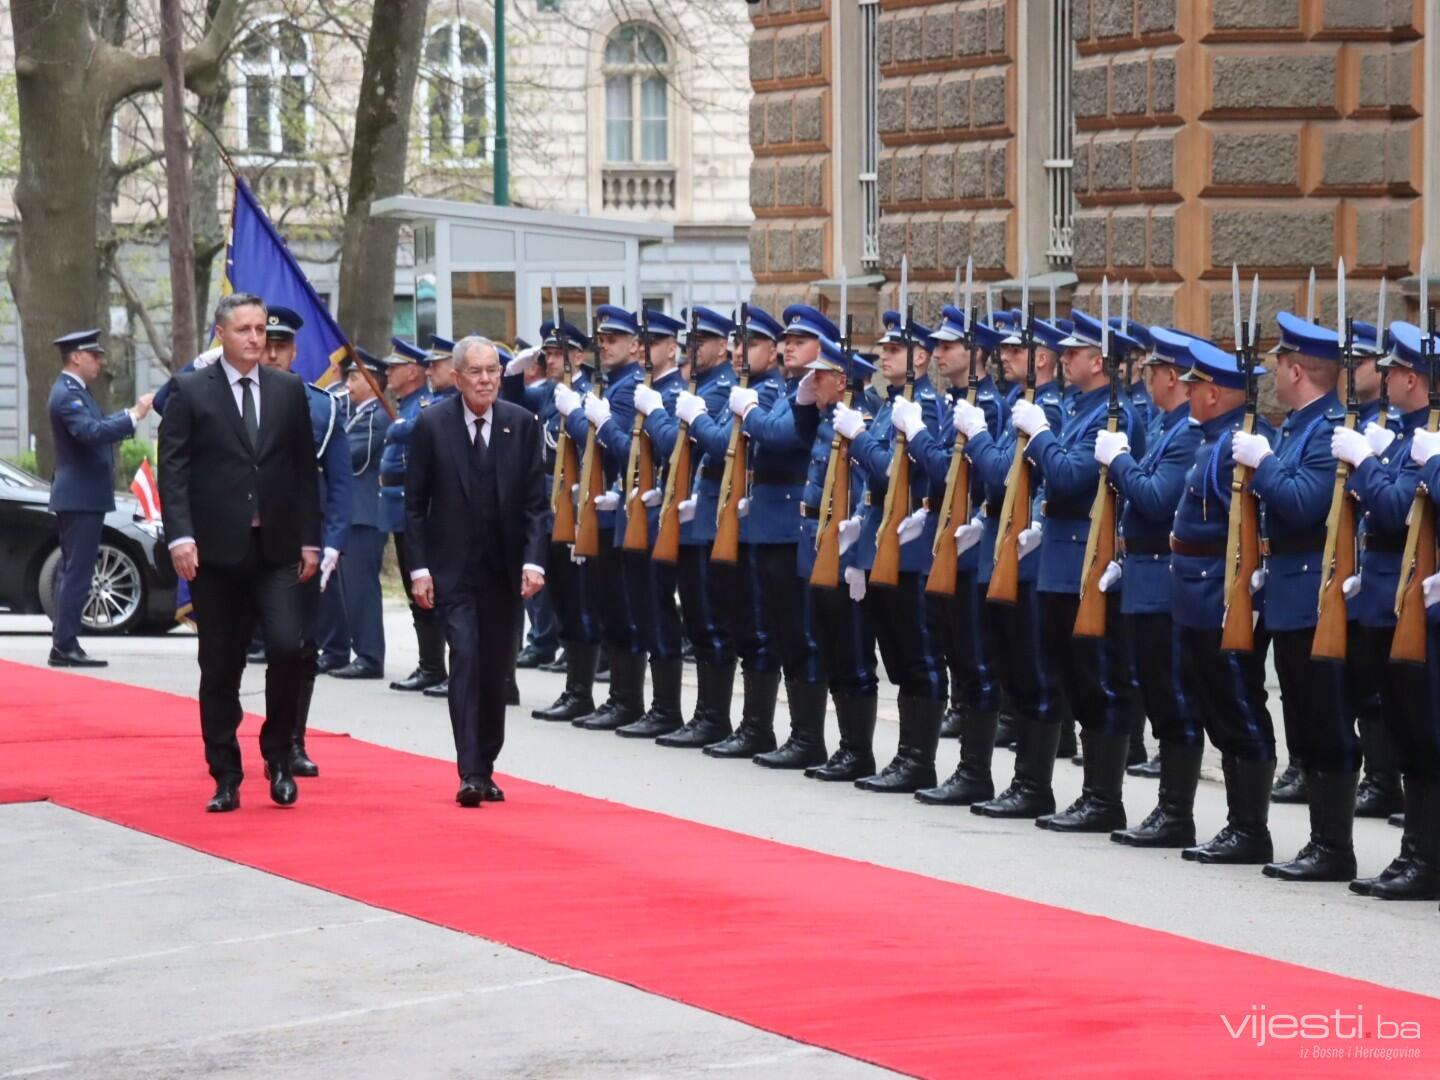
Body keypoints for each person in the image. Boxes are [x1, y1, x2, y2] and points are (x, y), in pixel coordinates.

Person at [156, 293, 320, 812]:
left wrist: (310, 539)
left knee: (287, 647)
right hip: (215, 553)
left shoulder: (288, 389)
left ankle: (279, 755)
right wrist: (180, 536)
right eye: (245, 329)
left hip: (276, 549)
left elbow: (303, 470)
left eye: (260, 330)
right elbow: (173, 468)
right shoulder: (190, 390)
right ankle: (225, 772)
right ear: (221, 334)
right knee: (221, 664)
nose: (255, 338)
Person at [1233, 311, 1357, 882]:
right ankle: (1320, 840)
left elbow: (1305, 504)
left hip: (1312, 592)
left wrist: (1262, 463)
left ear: (1297, 370)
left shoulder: (1327, 429)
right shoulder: (1298, 426)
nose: (1274, 374)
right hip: (1287, 587)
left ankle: (1333, 846)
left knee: (1324, 719)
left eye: (1279, 365)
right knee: (1303, 719)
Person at [405, 336, 548, 806]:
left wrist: (534, 561)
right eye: (476, 372)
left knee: (495, 671)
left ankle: (485, 764)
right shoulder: (432, 424)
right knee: (465, 660)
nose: (486, 380)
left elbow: (536, 504)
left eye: (493, 371)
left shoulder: (521, 424)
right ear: (457, 377)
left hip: (503, 571)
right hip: (453, 572)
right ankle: (469, 771)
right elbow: (415, 505)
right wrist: (419, 569)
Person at [833, 310, 947, 792]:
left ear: (920, 358)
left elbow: (891, 472)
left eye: (895, 349)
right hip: (880, 539)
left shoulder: (927, 408)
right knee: (896, 656)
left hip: (910, 544)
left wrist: (858, 439)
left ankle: (919, 759)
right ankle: (905, 755)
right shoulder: (888, 405)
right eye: (883, 348)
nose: (884, 355)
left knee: (918, 654)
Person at [1176, 343, 1279, 865]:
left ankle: (1250, 828)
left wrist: (1245, 594)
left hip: (1222, 593)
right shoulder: (1214, 441)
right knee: (1219, 708)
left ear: (1214, 393)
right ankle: (1239, 824)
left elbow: (1250, 528)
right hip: (1200, 591)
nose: (1188, 393)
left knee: (1239, 706)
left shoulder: (1234, 446)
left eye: (1195, 386)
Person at [1101, 328, 1204, 846]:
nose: (1146, 378)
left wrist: (1119, 461)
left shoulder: (1186, 433)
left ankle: (1176, 813)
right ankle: (1169, 809)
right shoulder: (1168, 426)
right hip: (1143, 575)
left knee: (1171, 698)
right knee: (1157, 695)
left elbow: (1157, 498)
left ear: (1172, 377)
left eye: (1152, 370)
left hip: (1163, 580)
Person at [905, 309, 1008, 804]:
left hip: (969, 546)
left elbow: (957, 473)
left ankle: (975, 772)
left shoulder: (988, 405)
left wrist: (918, 437)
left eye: (948, 347)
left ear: (976, 353)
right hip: (945, 541)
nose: (938, 354)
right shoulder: (955, 402)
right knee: (955, 657)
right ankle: (960, 768)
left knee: (975, 663)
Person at [258, 306, 352, 775]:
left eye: (281, 346)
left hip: (299, 545)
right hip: (241, 538)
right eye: (266, 345)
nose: (273, 355)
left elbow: (339, 483)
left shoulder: (321, 406)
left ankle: (293, 740)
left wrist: (331, 543)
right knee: (230, 649)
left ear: (295, 352)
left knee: (299, 646)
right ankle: (226, 739)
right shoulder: (226, 396)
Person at [554, 305, 647, 730]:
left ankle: (626, 700)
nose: (605, 346)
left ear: (634, 345)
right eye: (602, 340)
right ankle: (617, 698)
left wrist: (577, 415)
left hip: (617, 511)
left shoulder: (628, 388)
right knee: (608, 609)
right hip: (602, 507)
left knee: (620, 611)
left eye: (613, 340)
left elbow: (621, 449)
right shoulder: (612, 384)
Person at [45, 329, 153, 667]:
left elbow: (99, 424)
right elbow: (91, 432)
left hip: (82, 496)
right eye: (95, 356)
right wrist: (134, 415)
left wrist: (127, 415)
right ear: (76, 357)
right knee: (77, 573)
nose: (100, 362)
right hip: (80, 497)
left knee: (74, 571)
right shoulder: (68, 395)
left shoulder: (77, 391)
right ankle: (65, 645)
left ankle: (63, 643)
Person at [381, 338, 448, 693]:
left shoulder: (425, 404)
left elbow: (412, 429)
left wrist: (396, 428)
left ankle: (435, 666)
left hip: (418, 505)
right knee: (414, 591)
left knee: (427, 588)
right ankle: (429, 664)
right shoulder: (407, 405)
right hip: (398, 504)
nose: (387, 373)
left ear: (412, 372)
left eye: (394, 367)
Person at [329, 349, 391, 680]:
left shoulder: (375, 417)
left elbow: (352, 456)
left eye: (354, 378)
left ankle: (369, 656)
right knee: (346, 589)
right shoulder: (353, 412)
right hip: (351, 513)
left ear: (372, 382)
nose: (348, 385)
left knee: (361, 589)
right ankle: (351, 651)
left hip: (365, 513)